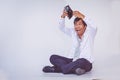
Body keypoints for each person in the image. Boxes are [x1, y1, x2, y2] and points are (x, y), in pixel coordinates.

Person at [42, 10, 97, 75]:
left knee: (81, 61)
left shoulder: (90, 33)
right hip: (72, 60)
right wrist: (63, 16)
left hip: (86, 62)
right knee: (53, 57)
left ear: (85, 26)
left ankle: (57, 69)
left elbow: (94, 27)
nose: (77, 26)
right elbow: (61, 28)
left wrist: (81, 15)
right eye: (75, 24)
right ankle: (75, 70)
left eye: (79, 24)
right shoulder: (73, 32)